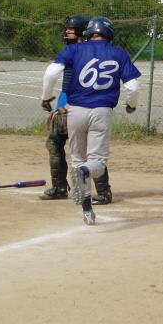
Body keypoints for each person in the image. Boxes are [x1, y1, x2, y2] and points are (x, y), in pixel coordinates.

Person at [41, 16, 141, 225]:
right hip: (101, 111)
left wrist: (46, 97)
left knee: (78, 159)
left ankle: (86, 207)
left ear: (87, 33)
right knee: (97, 161)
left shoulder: (76, 50)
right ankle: (90, 180)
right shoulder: (118, 53)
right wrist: (131, 105)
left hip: (75, 110)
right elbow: (133, 87)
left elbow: (51, 73)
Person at [39, 14, 114, 204]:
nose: (67, 31)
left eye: (72, 29)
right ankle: (61, 186)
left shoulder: (83, 50)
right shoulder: (74, 49)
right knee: (55, 143)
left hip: (81, 105)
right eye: (67, 28)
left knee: (90, 150)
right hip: (68, 103)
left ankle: (102, 191)